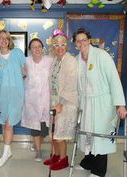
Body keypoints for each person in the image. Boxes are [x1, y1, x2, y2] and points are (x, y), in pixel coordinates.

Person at [72, 28, 127, 177]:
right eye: (78, 41)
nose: (82, 43)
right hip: (86, 103)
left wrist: (120, 104)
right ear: (75, 44)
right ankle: (88, 162)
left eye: (84, 40)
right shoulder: (77, 59)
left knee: (100, 136)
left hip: (102, 103)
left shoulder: (101, 56)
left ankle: (99, 170)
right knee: (87, 135)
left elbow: (114, 80)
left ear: (89, 41)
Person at [43, 29, 78, 171]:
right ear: (53, 47)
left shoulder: (71, 60)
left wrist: (60, 103)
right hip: (55, 101)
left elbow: (71, 84)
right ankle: (56, 156)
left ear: (66, 46)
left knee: (59, 134)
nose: (60, 48)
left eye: (63, 44)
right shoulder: (56, 60)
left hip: (66, 103)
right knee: (53, 133)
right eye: (56, 45)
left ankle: (63, 159)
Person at [0, 30, 26, 167]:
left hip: (16, 94)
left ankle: (5, 153)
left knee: (9, 123)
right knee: (3, 123)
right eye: (1, 38)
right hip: (1, 95)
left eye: (6, 38)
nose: (3, 40)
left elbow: (25, 71)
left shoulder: (17, 53)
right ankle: (8, 149)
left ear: (9, 40)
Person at [21, 38, 52, 162]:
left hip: (46, 99)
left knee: (44, 128)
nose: (37, 49)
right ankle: (38, 151)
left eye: (39, 46)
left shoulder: (49, 61)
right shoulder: (25, 62)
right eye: (34, 47)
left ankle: (37, 143)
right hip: (31, 100)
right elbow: (21, 76)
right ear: (30, 49)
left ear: (42, 47)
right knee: (35, 127)